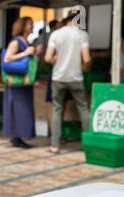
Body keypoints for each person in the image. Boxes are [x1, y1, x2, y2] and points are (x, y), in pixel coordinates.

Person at [45, 10, 91, 154]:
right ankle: (88, 144)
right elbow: (87, 59)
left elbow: (47, 58)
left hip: (58, 77)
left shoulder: (56, 34)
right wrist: (84, 68)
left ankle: (55, 145)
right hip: (76, 77)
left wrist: (56, 60)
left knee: (57, 110)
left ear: (68, 18)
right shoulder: (82, 35)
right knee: (83, 109)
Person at [3, 16, 36, 149]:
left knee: (23, 109)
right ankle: (16, 137)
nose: (32, 26)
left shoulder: (25, 41)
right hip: (17, 82)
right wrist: (25, 53)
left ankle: (18, 136)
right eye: (30, 24)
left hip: (23, 83)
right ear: (23, 27)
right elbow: (7, 58)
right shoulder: (16, 42)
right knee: (18, 109)